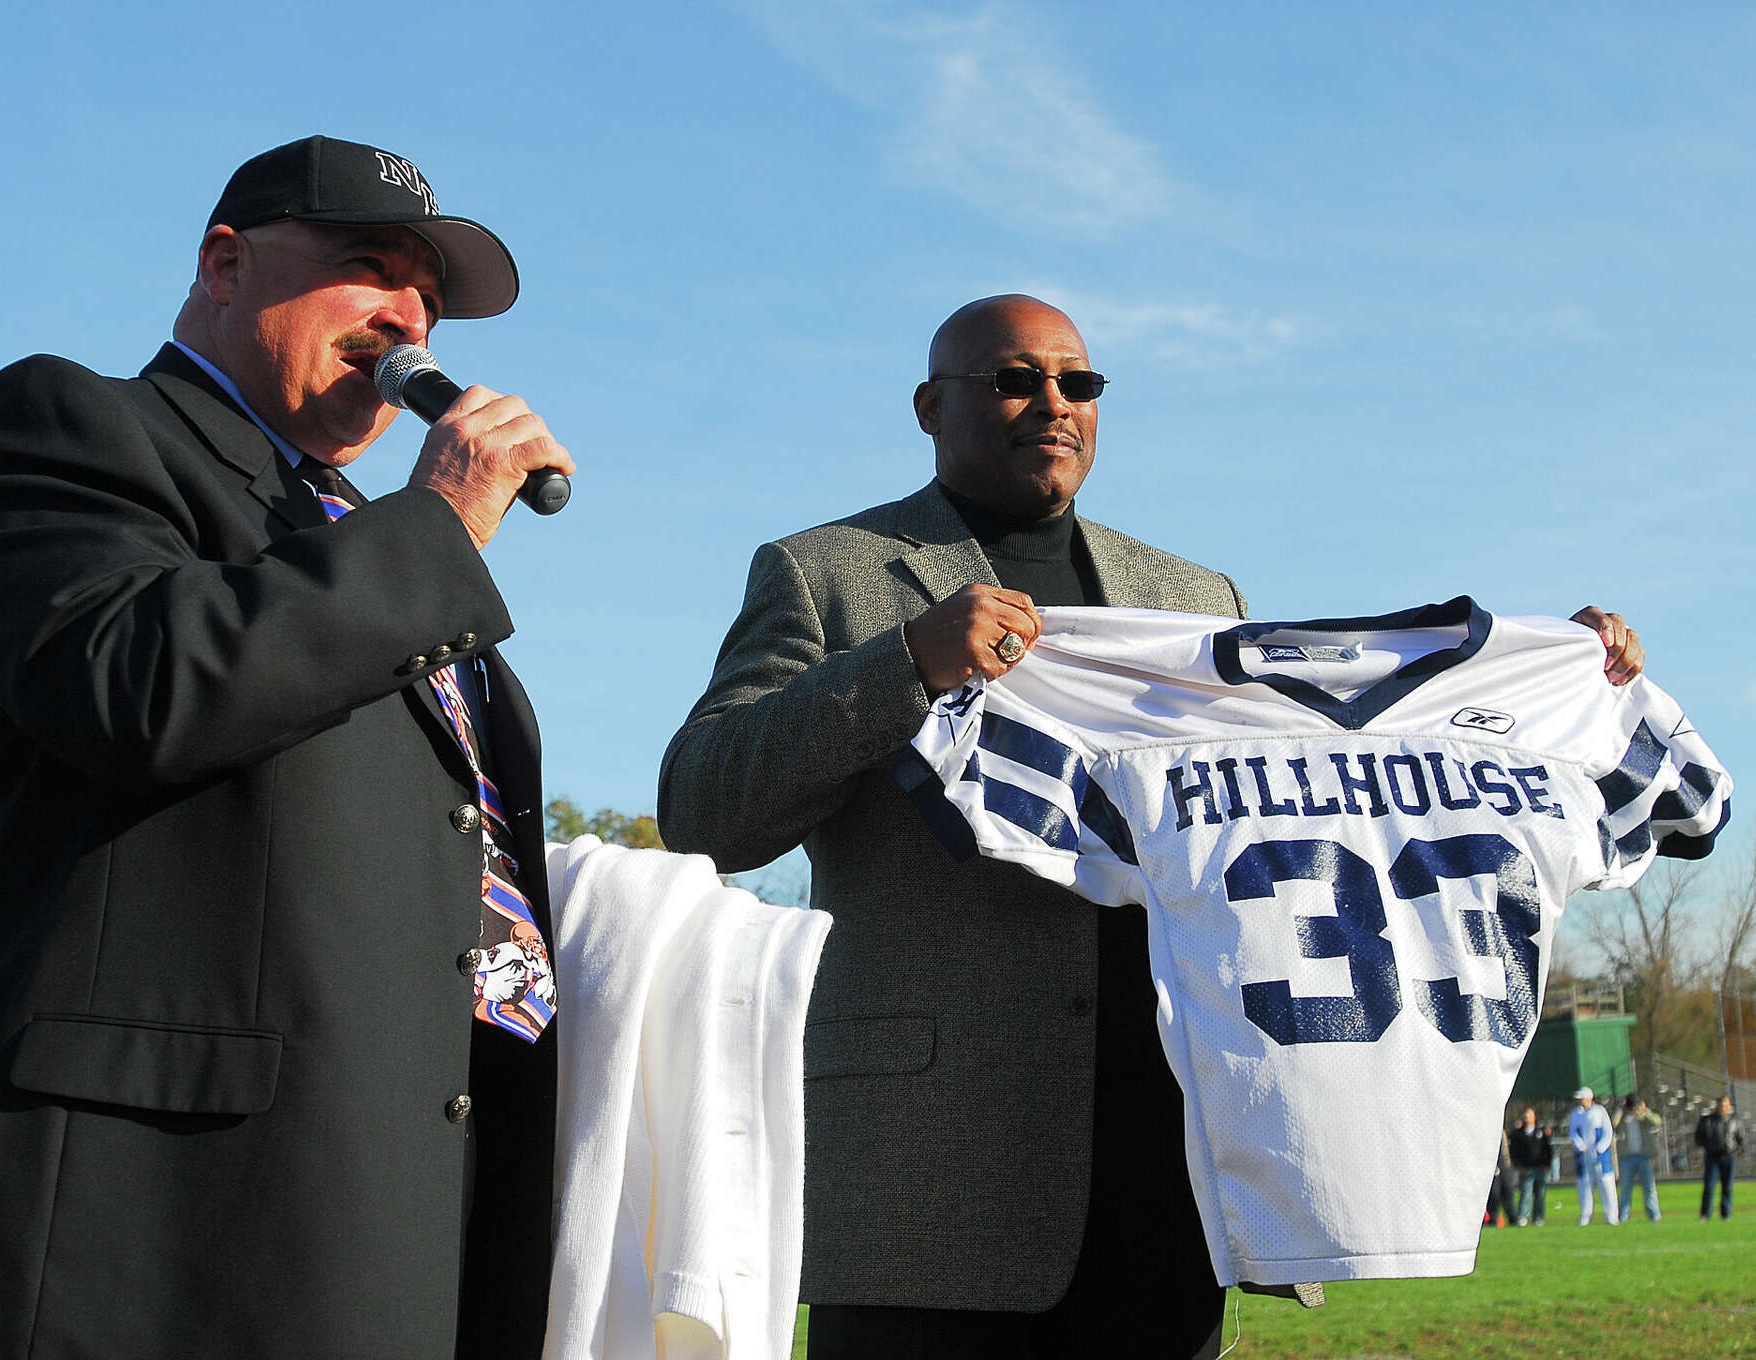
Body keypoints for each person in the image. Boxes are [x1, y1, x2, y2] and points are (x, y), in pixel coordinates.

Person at [657, 293, 1646, 1360]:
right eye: (1015, 378)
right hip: (935, 1181)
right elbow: (704, 805)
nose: (1053, 402)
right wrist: (904, 663)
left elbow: (1333, 766)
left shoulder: (1191, 598)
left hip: (1169, 1170)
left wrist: (1554, 668)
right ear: (929, 405)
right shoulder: (828, 573)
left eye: (1079, 382)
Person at [0, 136, 574, 1359]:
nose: (410, 316)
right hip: (148, 1232)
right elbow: (141, 685)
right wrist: (440, 522)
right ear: (225, 262)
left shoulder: (361, 541)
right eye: (368, 265)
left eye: (433, 300)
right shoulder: (66, 428)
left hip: (383, 1210)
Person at [1569, 1087, 1620, 1227]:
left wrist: (1601, 1148)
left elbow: (1607, 1132)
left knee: (1606, 1185)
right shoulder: (1576, 1114)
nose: (1581, 1101)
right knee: (1584, 1186)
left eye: (1583, 1098)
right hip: (1584, 1157)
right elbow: (1573, 1133)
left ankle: (1611, 1216)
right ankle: (1585, 1215)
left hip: (1600, 1157)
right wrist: (1580, 1146)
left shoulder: (1599, 1111)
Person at [1695, 1095, 1745, 1221]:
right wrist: (1708, 1146)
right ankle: (1705, 1214)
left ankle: (1726, 1214)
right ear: (1717, 1106)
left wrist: (1737, 1150)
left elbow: (1741, 1138)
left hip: (1729, 1156)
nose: (1723, 1107)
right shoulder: (1707, 1120)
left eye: (1726, 1105)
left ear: (1729, 1106)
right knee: (1709, 1186)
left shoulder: (1735, 1120)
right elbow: (1699, 1137)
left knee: (1727, 1187)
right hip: (1712, 1157)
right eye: (1721, 1105)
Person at [1615, 1094, 1664, 1222]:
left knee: (1649, 1188)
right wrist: (1621, 1111)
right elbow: (1613, 1124)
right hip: (1627, 1158)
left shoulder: (1643, 1118)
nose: (1633, 1109)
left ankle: (1654, 1216)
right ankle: (1623, 1217)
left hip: (1644, 1156)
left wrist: (1644, 1111)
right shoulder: (1623, 1118)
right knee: (1625, 1189)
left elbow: (1657, 1121)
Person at [1510, 1107, 1554, 1225]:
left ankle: (1538, 1217)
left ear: (1534, 1117)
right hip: (1526, 1169)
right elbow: (1513, 1152)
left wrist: (1547, 1165)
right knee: (1526, 1193)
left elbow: (1548, 1150)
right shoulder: (1517, 1134)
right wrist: (1519, 1167)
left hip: (1540, 1168)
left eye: (1529, 1116)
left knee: (1540, 1194)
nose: (1526, 1118)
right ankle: (1523, 1216)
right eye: (1525, 1116)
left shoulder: (1541, 1133)